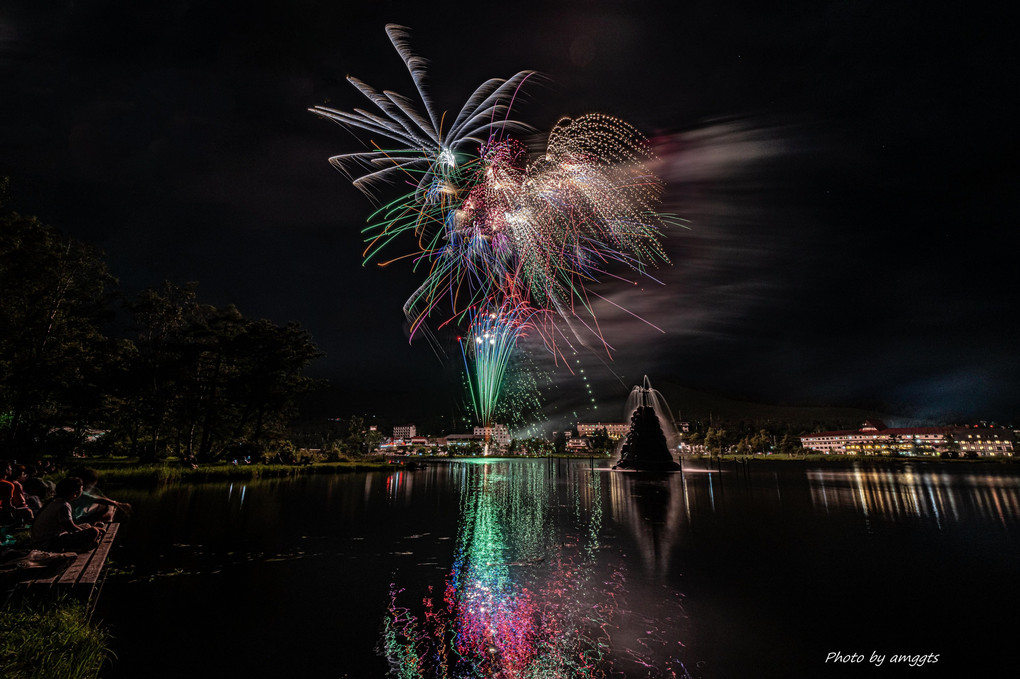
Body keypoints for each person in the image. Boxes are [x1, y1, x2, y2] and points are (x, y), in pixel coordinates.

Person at [30, 476, 104, 552]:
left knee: (87, 526)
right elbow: (70, 528)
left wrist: (86, 528)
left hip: (44, 540)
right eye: (81, 489)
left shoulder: (56, 501)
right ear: (76, 491)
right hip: (47, 544)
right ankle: (78, 548)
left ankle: (89, 542)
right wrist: (88, 531)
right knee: (94, 531)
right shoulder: (63, 505)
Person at [0, 459, 34, 526]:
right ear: (6, 470)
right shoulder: (8, 485)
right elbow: (7, 505)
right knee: (28, 512)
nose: (11, 470)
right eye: (10, 468)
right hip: (3, 512)